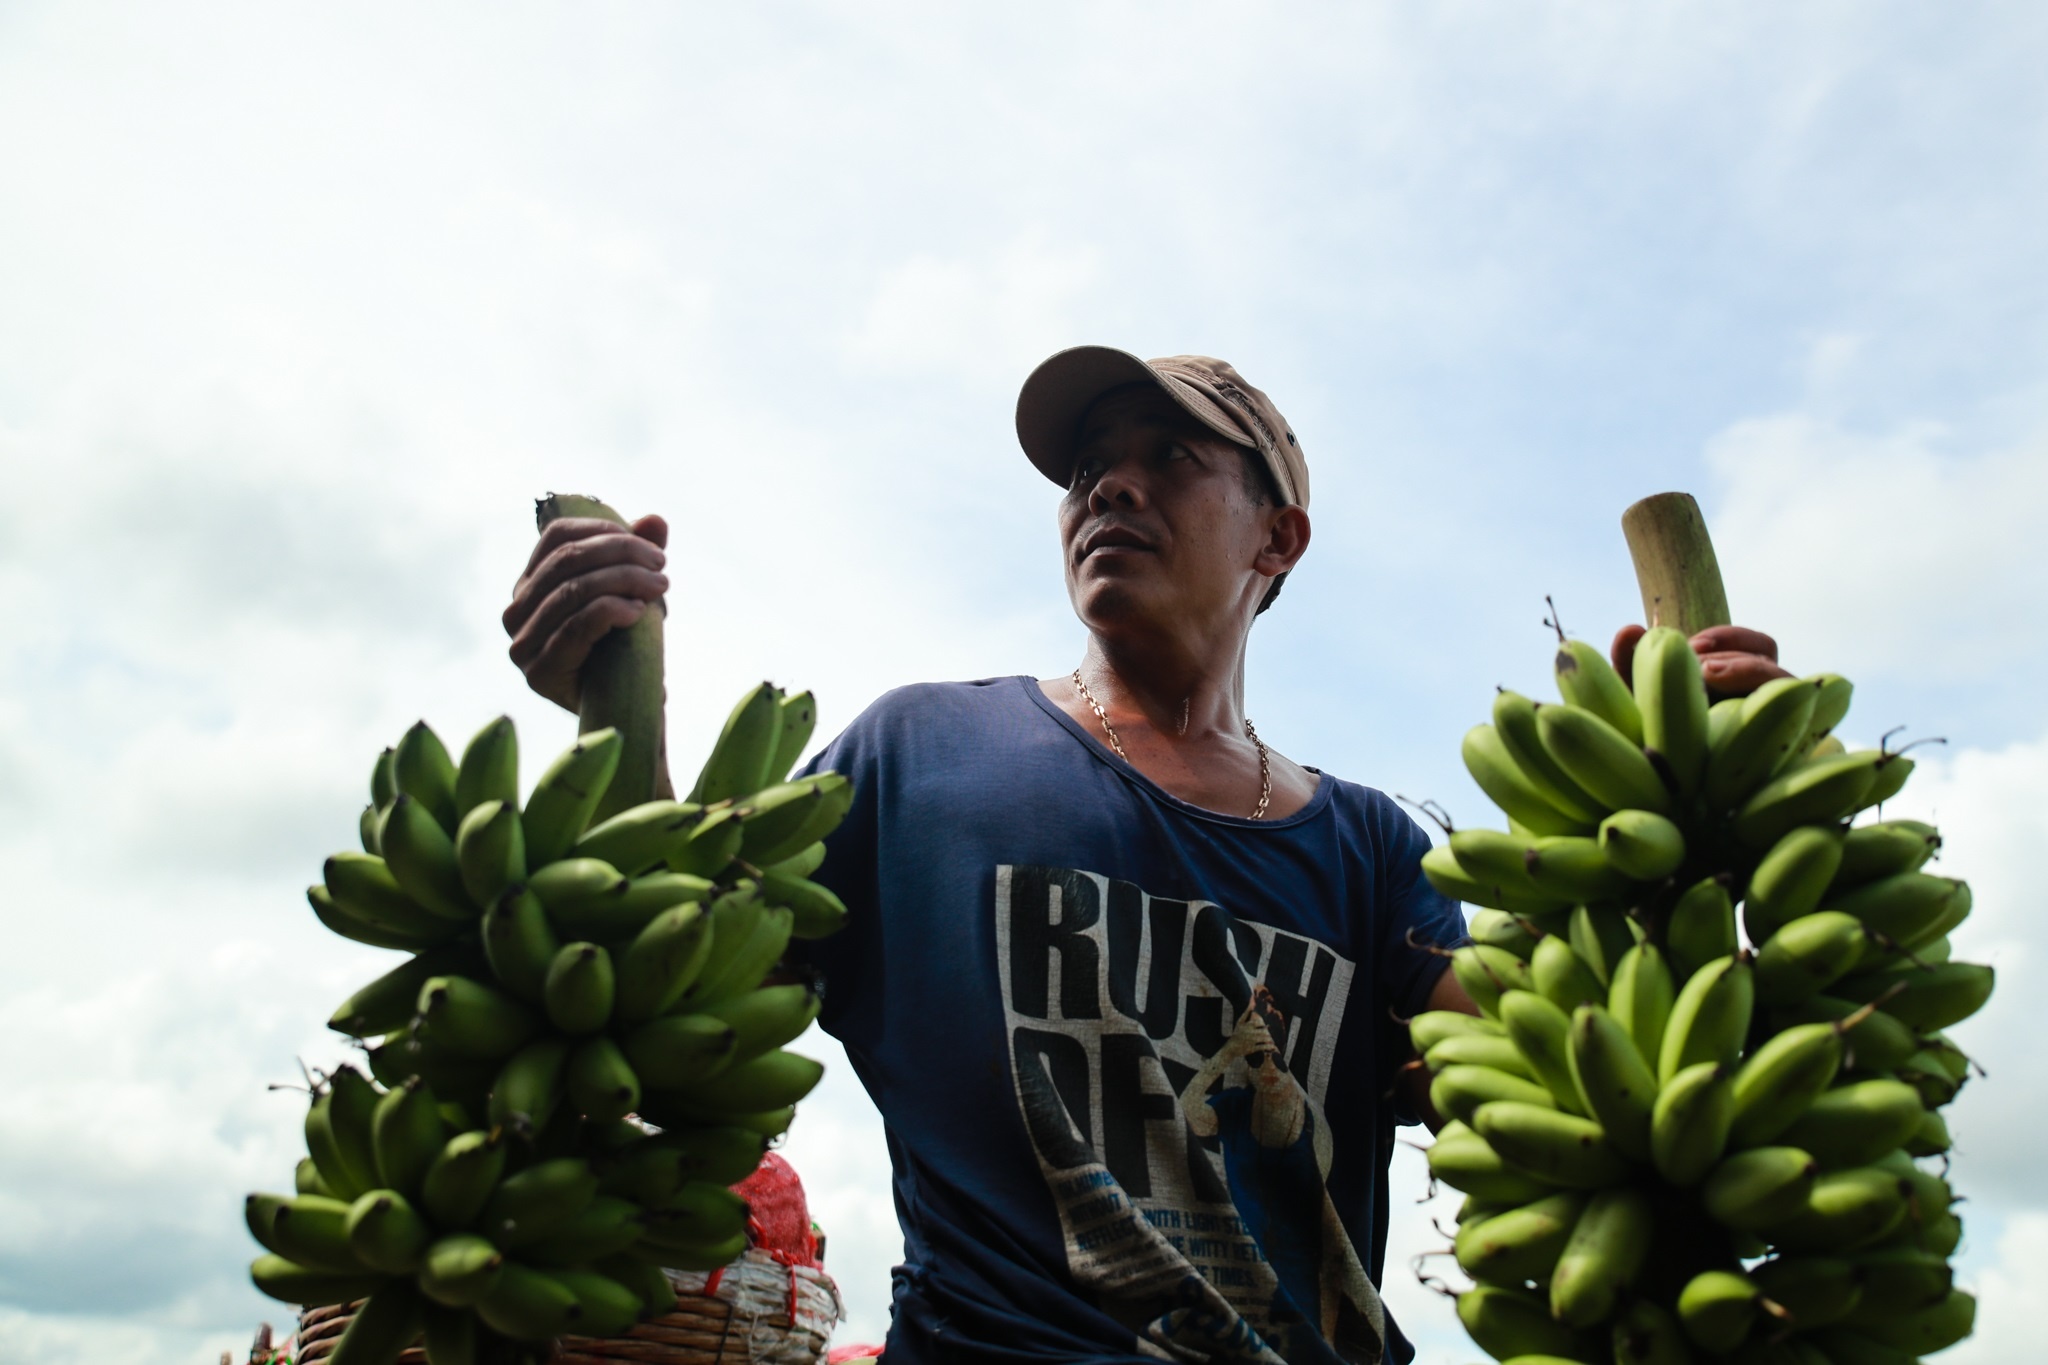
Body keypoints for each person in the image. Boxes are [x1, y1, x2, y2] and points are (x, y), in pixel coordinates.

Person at [502, 347, 1791, 1364]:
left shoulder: (1371, 850)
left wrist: (1678, 824)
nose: (1107, 487)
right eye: (1086, 471)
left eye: (1168, 457)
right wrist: (616, 703)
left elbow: (1576, 1084)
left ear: (1276, 539)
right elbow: (675, 1011)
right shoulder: (920, 757)